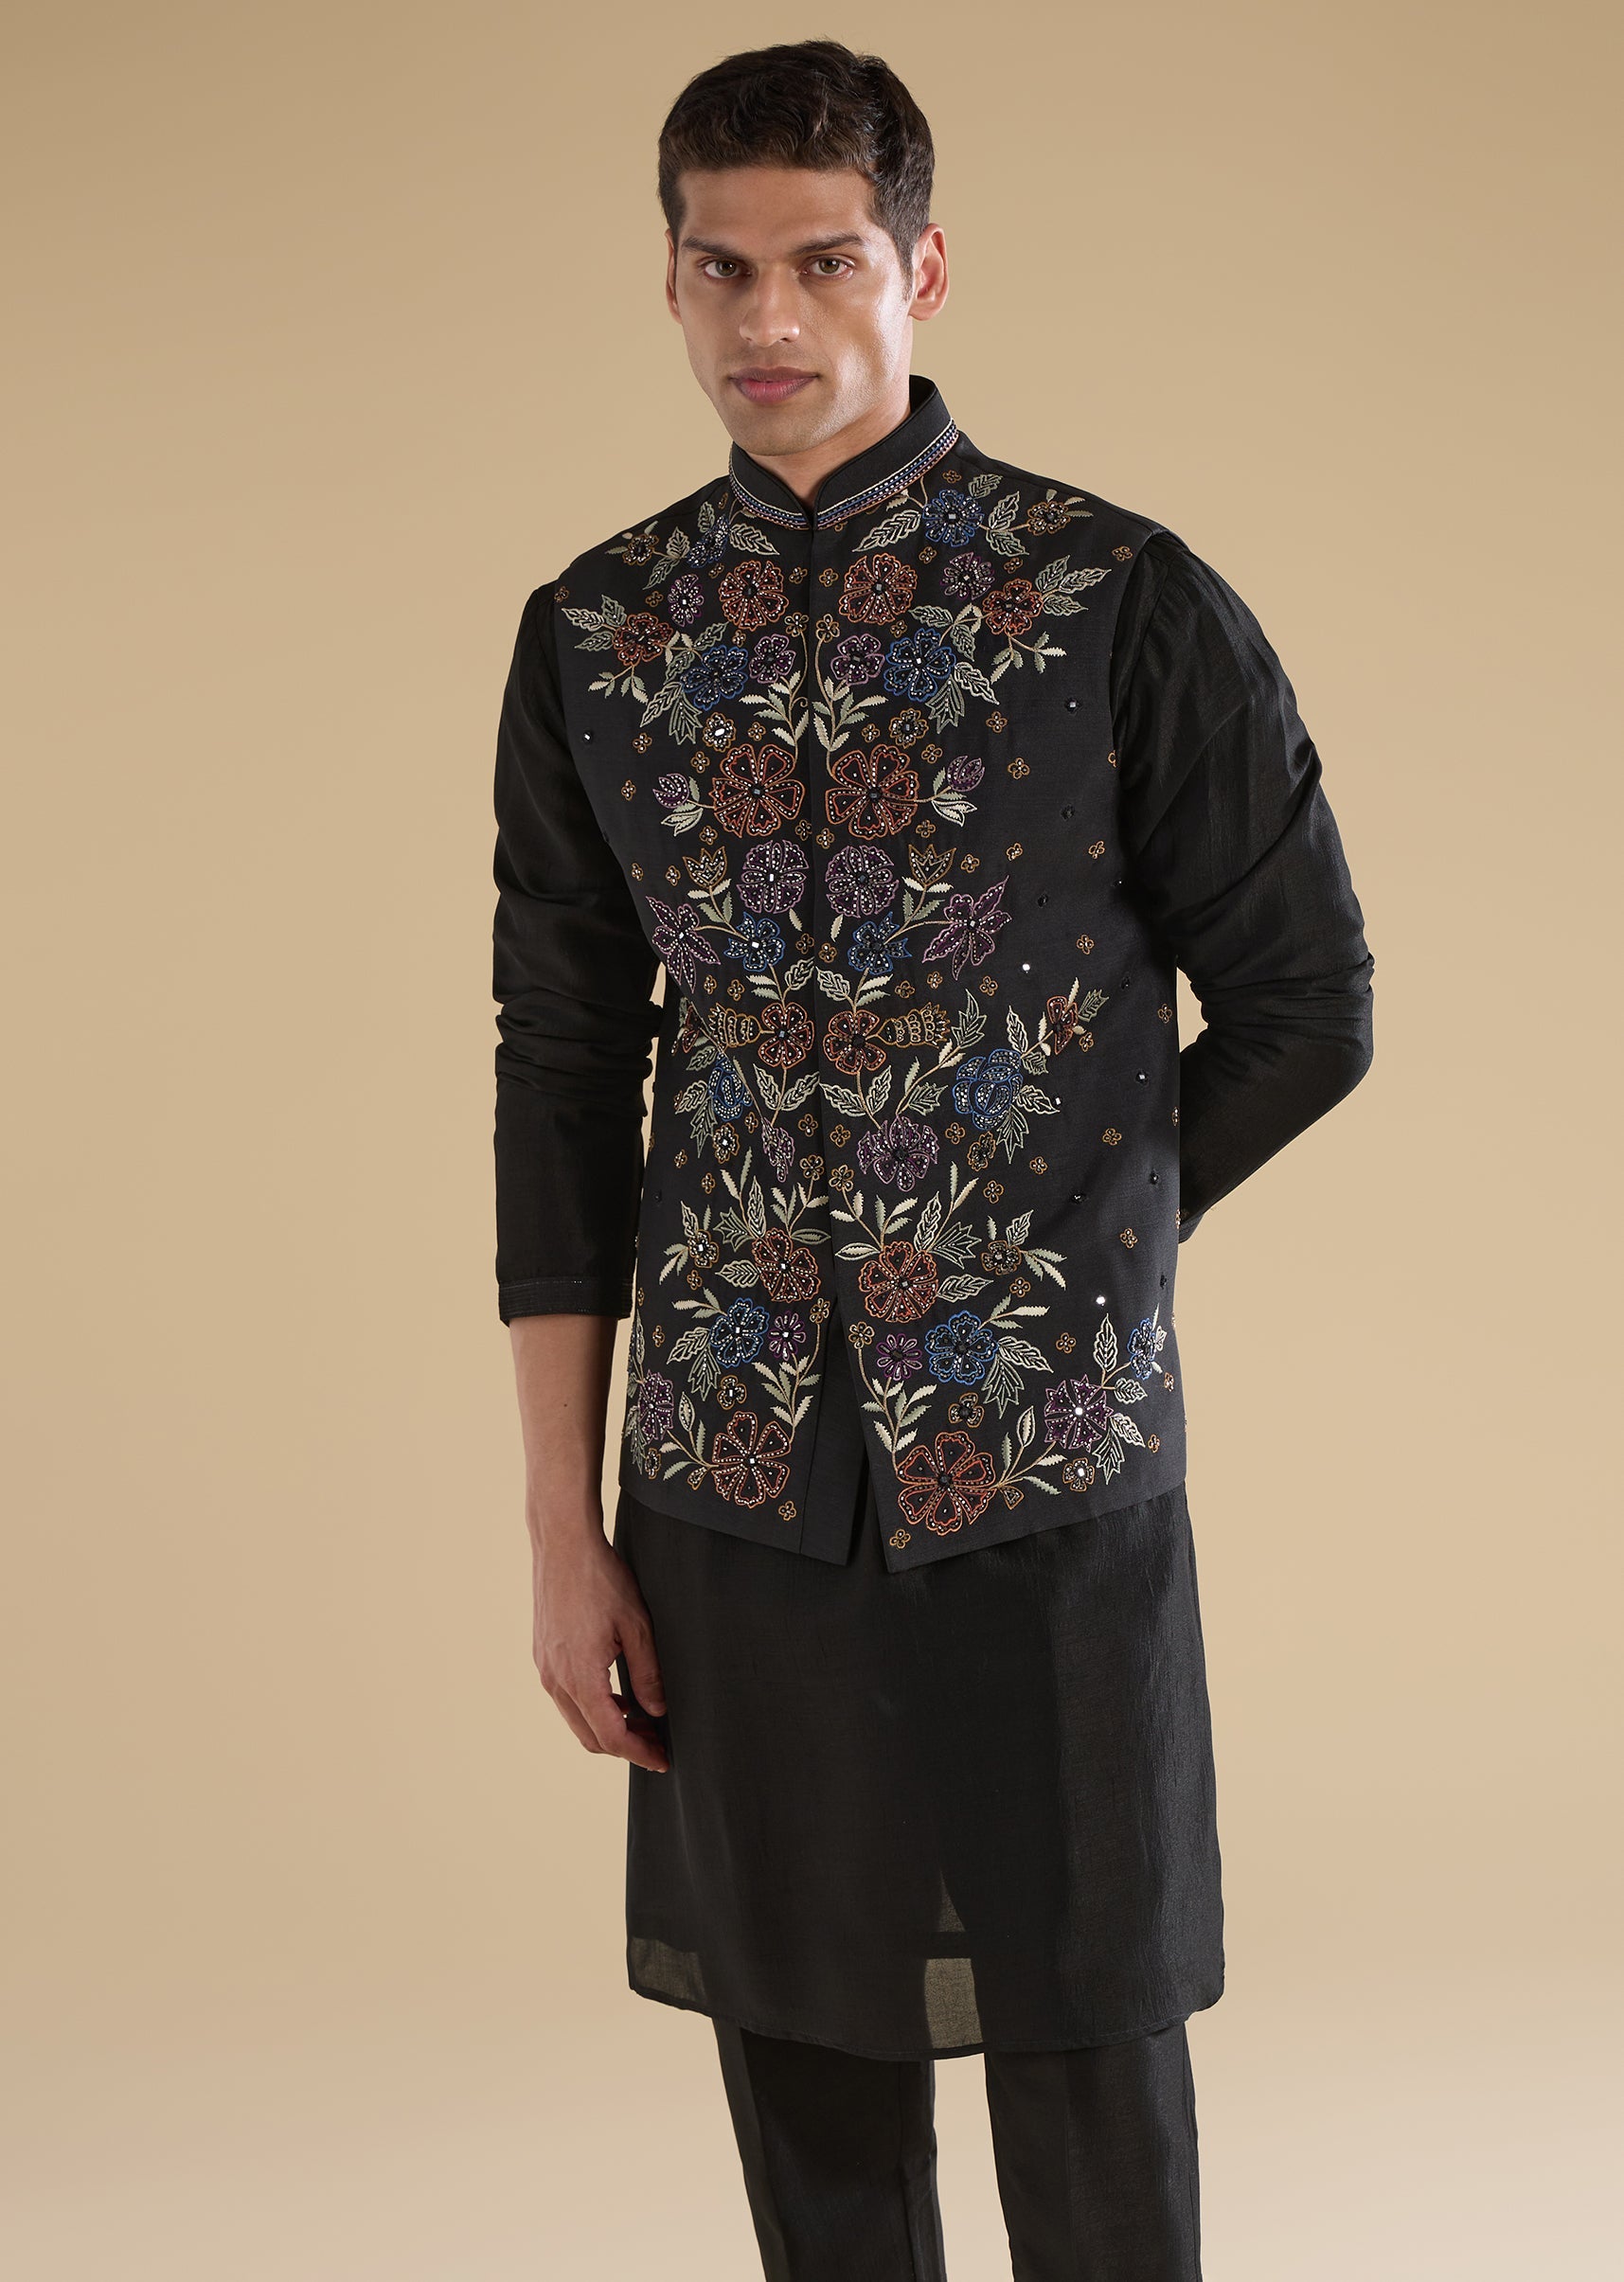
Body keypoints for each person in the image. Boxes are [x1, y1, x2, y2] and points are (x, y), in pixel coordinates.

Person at [491, 38, 1374, 2280]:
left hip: (1047, 1466)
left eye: (823, 261)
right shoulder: (599, 632)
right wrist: (563, 1529)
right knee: (808, 2077)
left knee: (1089, 2059)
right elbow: (563, 1075)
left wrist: (1074, 1236)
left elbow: (1308, 1002)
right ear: (669, 283)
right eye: (721, 268)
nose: (769, 317)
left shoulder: (1116, 599)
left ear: (923, 271)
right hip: (728, 1480)